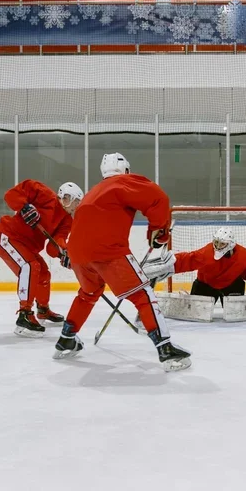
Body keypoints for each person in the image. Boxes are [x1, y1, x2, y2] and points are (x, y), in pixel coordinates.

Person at [57, 152, 192, 371]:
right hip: (107, 250)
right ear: (126, 170)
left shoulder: (94, 191)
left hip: (77, 253)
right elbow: (158, 198)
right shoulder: (125, 182)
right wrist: (159, 231)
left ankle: (66, 339)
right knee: (142, 293)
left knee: (88, 293)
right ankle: (165, 348)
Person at [0, 180, 83, 338]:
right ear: (62, 195)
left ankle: (43, 310)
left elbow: (54, 246)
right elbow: (11, 195)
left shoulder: (67, 220)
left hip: (27, 247)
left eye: (75, 202)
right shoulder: (43, 193)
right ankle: (25, 315)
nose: (71, 205)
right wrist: (24, 206)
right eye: (69, 199)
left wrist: (65, 253)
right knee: (30, 266)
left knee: (43, 273)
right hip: (9, 237)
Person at [142, 227, 246, 303]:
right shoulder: (206, 254)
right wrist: (167, 265)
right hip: (205, 285)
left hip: (231, 285)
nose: (218, 246)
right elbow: (187, 260)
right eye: (216, 242)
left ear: (231, 244)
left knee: (234, 314)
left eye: (222, 244)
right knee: (196, 312)